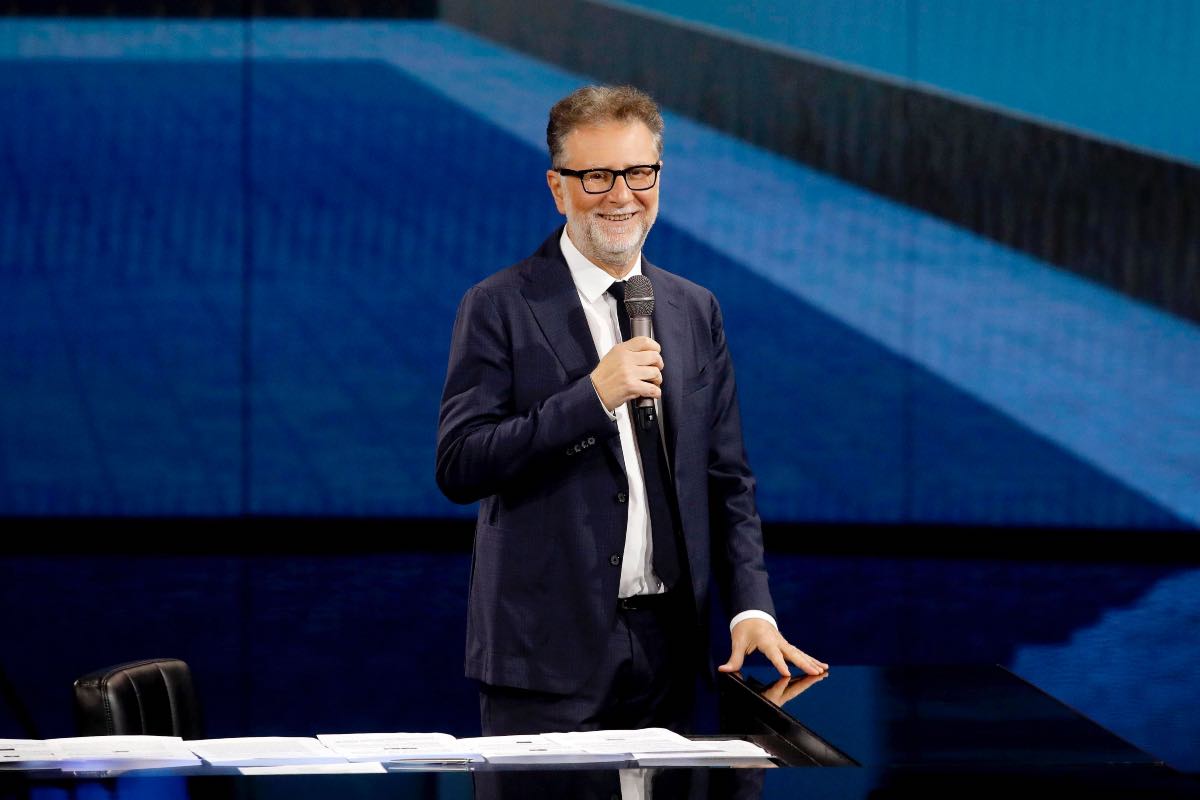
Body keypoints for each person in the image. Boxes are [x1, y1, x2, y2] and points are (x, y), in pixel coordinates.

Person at [436, 84, 826, 736]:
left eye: (639, 172)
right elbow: (460, 464)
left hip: (671, 655)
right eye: (597, 176)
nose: (621, 195)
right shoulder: (499, 304)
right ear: (558, 188)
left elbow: (726, 480)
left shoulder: (693, 309)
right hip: (543, 658)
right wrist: (591, 398)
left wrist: (750, 609)